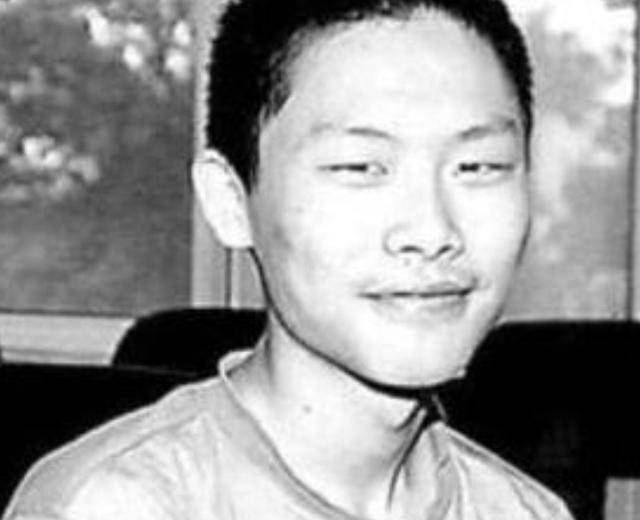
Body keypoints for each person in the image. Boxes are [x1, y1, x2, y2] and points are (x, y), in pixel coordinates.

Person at [4, 0, 574, 519]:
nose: (432, 231)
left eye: (478, 167)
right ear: (231, 202)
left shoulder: (527, 512)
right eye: (360, 167)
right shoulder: (117, 505)